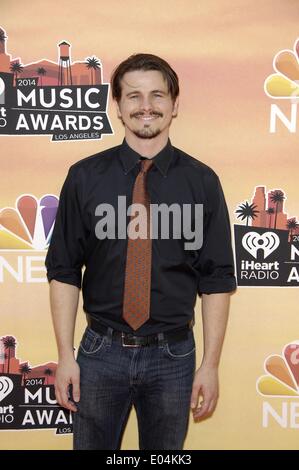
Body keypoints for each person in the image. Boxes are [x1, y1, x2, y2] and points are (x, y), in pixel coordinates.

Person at [45, 53, 236, 450]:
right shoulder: (84, 177)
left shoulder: (202, 182)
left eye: (157, 95)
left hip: (174, 356)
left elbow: (217, 280)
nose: (145, 106)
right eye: (133, 96)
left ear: (174, 105)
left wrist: (211, 365)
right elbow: (63, 271)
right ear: (117, 106)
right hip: (99, 352)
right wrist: (65, 355)